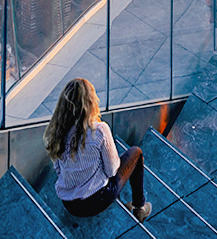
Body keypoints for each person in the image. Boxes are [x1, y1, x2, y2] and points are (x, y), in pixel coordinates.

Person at [46, 77, 151, 221]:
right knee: (136, 153)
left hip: (69, 205)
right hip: (97, 202)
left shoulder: (58, 132)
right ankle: (140, 207)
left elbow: (58, 170)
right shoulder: (99, 130)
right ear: (90, 102)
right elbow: (112, 171)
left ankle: (122, 203)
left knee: (101, 165)